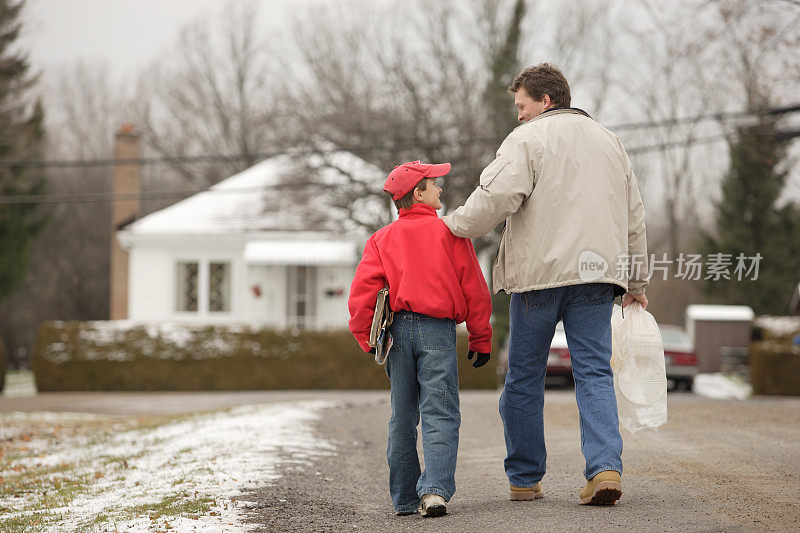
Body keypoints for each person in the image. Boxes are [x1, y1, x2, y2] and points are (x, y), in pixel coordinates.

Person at [443, 63, 650, 506]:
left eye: (521, 106)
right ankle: (605, 468)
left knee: (524, 376)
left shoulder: (527, 140)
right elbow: (635, 218)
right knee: (593, 371)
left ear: (545, 102)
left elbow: (495, 198)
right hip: (599, 276)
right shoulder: (611, 142)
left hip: (539, 278)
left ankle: (524, 478)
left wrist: (452, 225)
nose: (518, 115)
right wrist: (636, 280)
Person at [348, 160, 493, 517]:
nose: (440, 188)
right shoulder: (450, 233)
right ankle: (434, 492)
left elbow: (363, 294)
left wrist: (366, 338)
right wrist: (480, 337)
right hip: (437, 331)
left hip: (395, 332)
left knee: (402, 414)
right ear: (418, 193)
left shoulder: (380, 239)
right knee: (440, 412)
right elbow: (474, 288)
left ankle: (403, 499)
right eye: (434, 183)